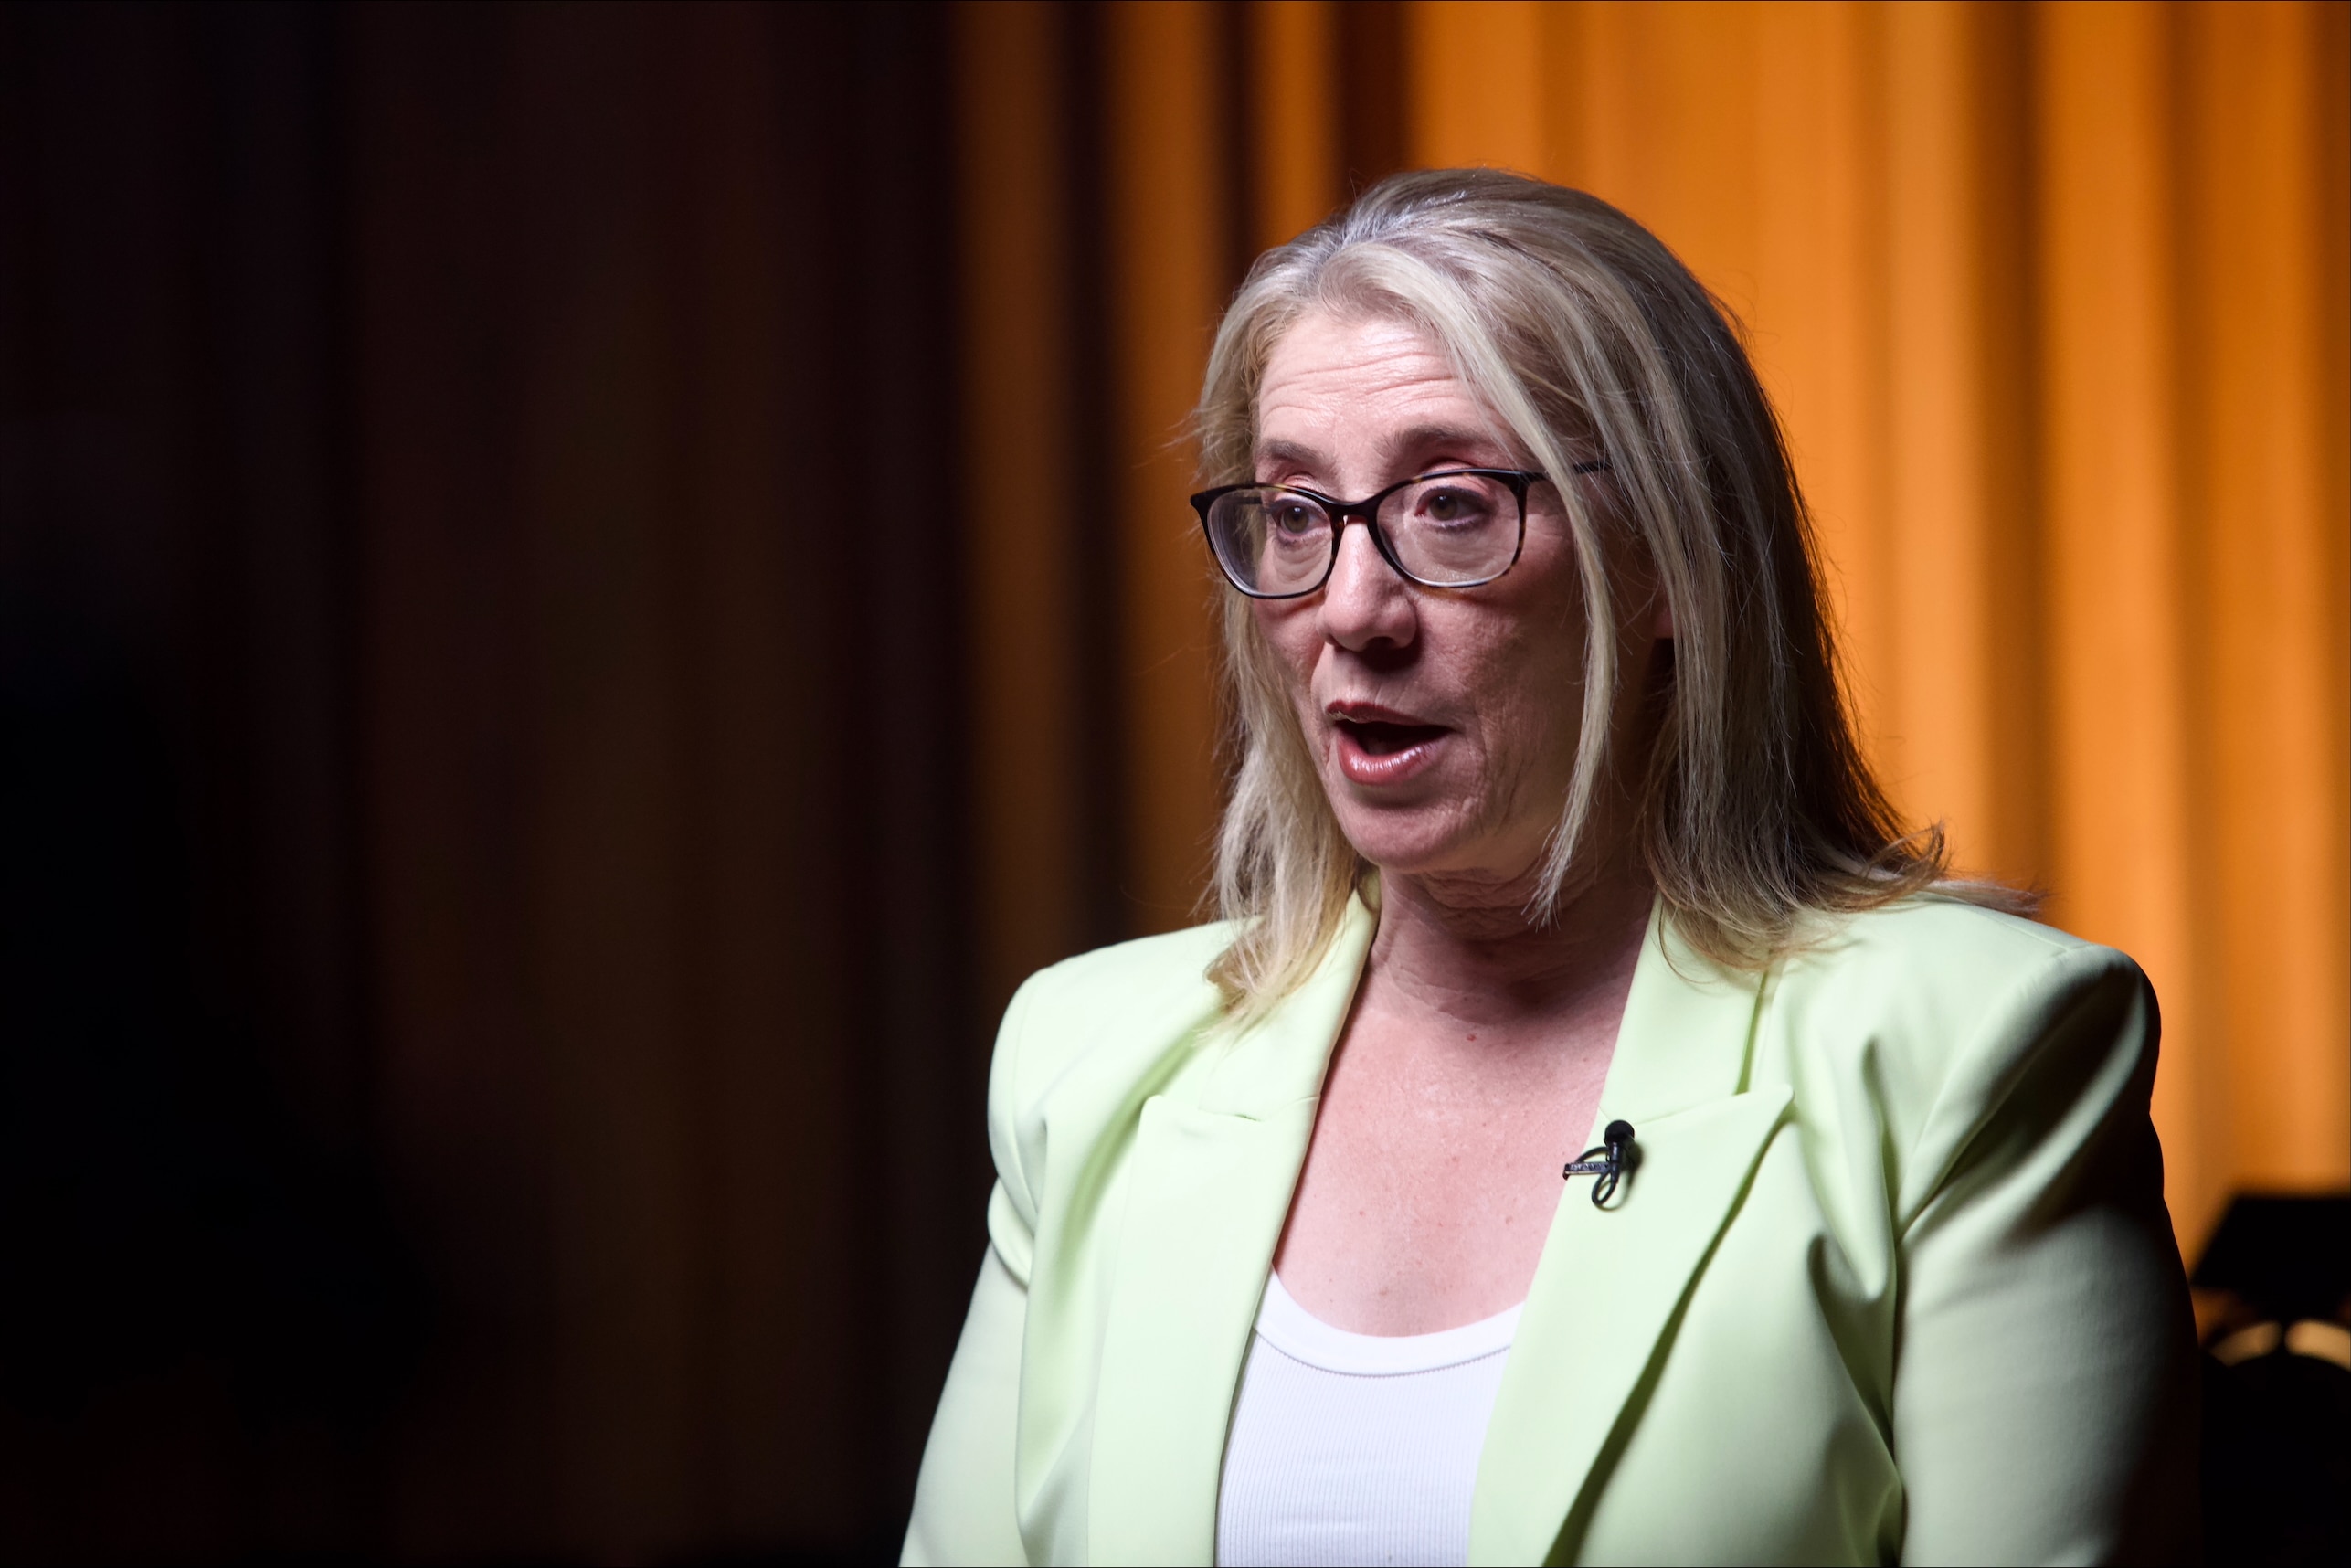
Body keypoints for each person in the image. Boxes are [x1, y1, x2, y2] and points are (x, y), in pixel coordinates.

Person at [904, 170, 2197, 1566]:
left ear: (1664, 560)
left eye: (1451, 504)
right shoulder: (1089, 1061)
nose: (1349, 609)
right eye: (1291, 513)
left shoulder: (1971, 1053)